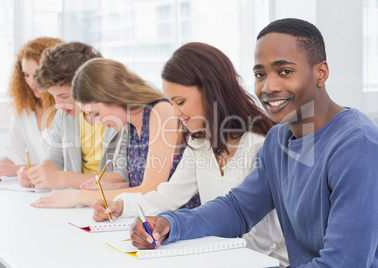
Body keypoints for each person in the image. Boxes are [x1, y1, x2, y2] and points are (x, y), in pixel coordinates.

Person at [129, 18, 378, 267]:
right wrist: (171, 224)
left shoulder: (358, 145)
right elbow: (238, 209)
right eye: (260, 74)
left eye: (285, 72)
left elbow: (345, 262)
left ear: (320, 73)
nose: (268, 87)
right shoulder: (278, 139)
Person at [92, 42, 288, 264]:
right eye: (172, 104)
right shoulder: (201, 142)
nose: (176, 113)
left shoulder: (260, 144)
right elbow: (170, 195)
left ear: (212, 90)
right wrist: (121, 205)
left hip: (263, 259)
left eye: (181, 102)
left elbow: (264, 240)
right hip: (219, 254)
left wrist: (193, 240)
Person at [31, 58, 200, 209]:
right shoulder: (131, 124)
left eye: (96, 114)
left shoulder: (161, 112)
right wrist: (113, 188)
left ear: (112, 95)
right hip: (153, 217)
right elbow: (142, 184)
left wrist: (79, 197)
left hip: (182, 221)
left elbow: (151, 191)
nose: (98, 122)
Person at [17, 42, 128, 194]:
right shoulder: (66, 115)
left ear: (87, 85)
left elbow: (122, 177)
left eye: (63, 96)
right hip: (80, 202)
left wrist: (61, 178)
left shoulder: (119, 116)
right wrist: (37, 175)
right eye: (53, 96)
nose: (58, 105)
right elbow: (54, 159)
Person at [0, 37, 63, 180]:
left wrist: (15, 169)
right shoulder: (23, 108)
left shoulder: (67, 109)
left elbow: (64, 166)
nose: (31, 82)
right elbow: (15, 153)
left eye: (36, 74)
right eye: (26, 75)